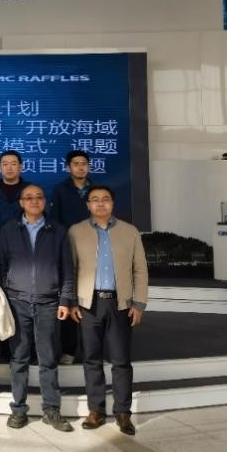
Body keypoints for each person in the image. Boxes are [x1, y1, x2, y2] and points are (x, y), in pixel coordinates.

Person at [69, 185, 149, 437]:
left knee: (121, 361)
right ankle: (96, 410)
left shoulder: (129, 231)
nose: (100, 203)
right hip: (88, 304)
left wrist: (139, 303)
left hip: (120, 304)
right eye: (95, 199)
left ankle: (123, 412)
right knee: (91, 359)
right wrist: (72, 302)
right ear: (88, 205)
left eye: (105, 199)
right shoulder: (76, 231)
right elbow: (71, 270)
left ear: (113, 204)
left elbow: (140, 269)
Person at [0, 184, 75, 432]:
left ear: (45, 201)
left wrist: (65, 300)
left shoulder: (57, 230)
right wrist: (5, 297)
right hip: (17, 302)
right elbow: (1, 265)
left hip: (49, 302)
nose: (34, 201)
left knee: (48, 359)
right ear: (20, 202)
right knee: (18, 358)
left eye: (39, 197)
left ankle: (52, 410)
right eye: (28, 197)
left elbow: (67, 269)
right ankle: (18, 410)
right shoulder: (8, 230)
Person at [49, 150, 93, 365]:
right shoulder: (60, 190)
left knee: (92, 302)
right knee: (69, 298)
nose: (80, 167)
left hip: (94, 252)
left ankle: (92, 349)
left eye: (84, 163)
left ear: (89, 166)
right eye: (76, 164)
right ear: (68, 167)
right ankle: (69, 349)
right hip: (68, 250)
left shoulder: (97, 191)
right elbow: (55, 222)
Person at [0, 150, 30, 244]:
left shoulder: (30, 191)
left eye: (13, 164)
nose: (9, 168)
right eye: (5, 164)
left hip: (25, 243)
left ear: (20, 167)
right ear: (0, 168)